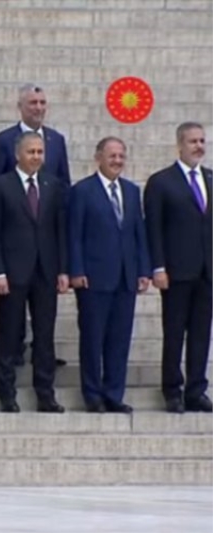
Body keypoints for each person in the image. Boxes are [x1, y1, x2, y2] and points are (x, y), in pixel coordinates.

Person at [0, 84, 71, 368]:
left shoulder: (57, 140)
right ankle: (12, 365)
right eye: (33, 102)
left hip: (46, 251)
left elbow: (64, 185)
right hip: (16, 250)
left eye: (42, 102)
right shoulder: (4, 140)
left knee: (45, 327)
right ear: (21, 106)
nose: (38, 107)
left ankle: (43, 370)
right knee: (10, 326)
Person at [69, 137, 151, 414]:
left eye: (121, 156)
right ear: (98, 157)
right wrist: (76, 270)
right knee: (92, 339)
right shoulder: (82, 191)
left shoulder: (131, 190)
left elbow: (139, 232)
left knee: (119, 340)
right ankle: (93, 395)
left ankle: (114, 394)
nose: (117, 161)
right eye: (112, 156)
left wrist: (143, 270)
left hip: (126, 278)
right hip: (94, 278)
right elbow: (75, 235)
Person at [0, 132, 68, 413]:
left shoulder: (53, 185)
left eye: (40, 152)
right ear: (17, 155)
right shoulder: (0, 185)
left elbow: (60, 229)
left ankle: (45, 394)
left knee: (44, 335)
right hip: (12, 271)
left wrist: (63, 269)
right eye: (31, 152)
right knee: (9, 334)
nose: (36, 157)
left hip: (45, 271)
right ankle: (6, 394)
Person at [144, 122, 212, 413]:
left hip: (207, 272)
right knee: (174, 333)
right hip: (176, 271)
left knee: (201, 334)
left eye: (202, 141)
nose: (199, 146)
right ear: (179, 145)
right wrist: (157, 266)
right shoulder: (161, 181)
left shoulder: (211, 178)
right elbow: (154, 229)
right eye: (193, 141)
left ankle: (196, 390)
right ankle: (172, 389)